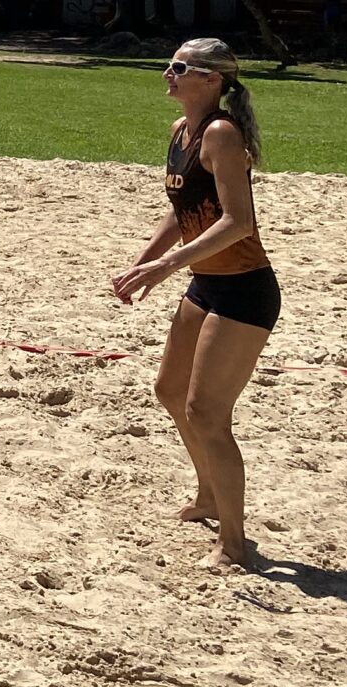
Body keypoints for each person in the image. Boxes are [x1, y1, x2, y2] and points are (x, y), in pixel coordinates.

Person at [110, 38, 277, 569]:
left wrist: (167, 266)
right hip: (206, 284)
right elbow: (184, 209)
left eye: (179, 67)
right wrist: (145, 259)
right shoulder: (180, 131)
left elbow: (238, 222)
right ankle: (208, 495)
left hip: (244, 289)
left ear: (211, 79)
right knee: (169, 390)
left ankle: (234, 543)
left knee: (206, 412)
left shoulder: (221, 133)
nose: (167, 73)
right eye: (169, 64)